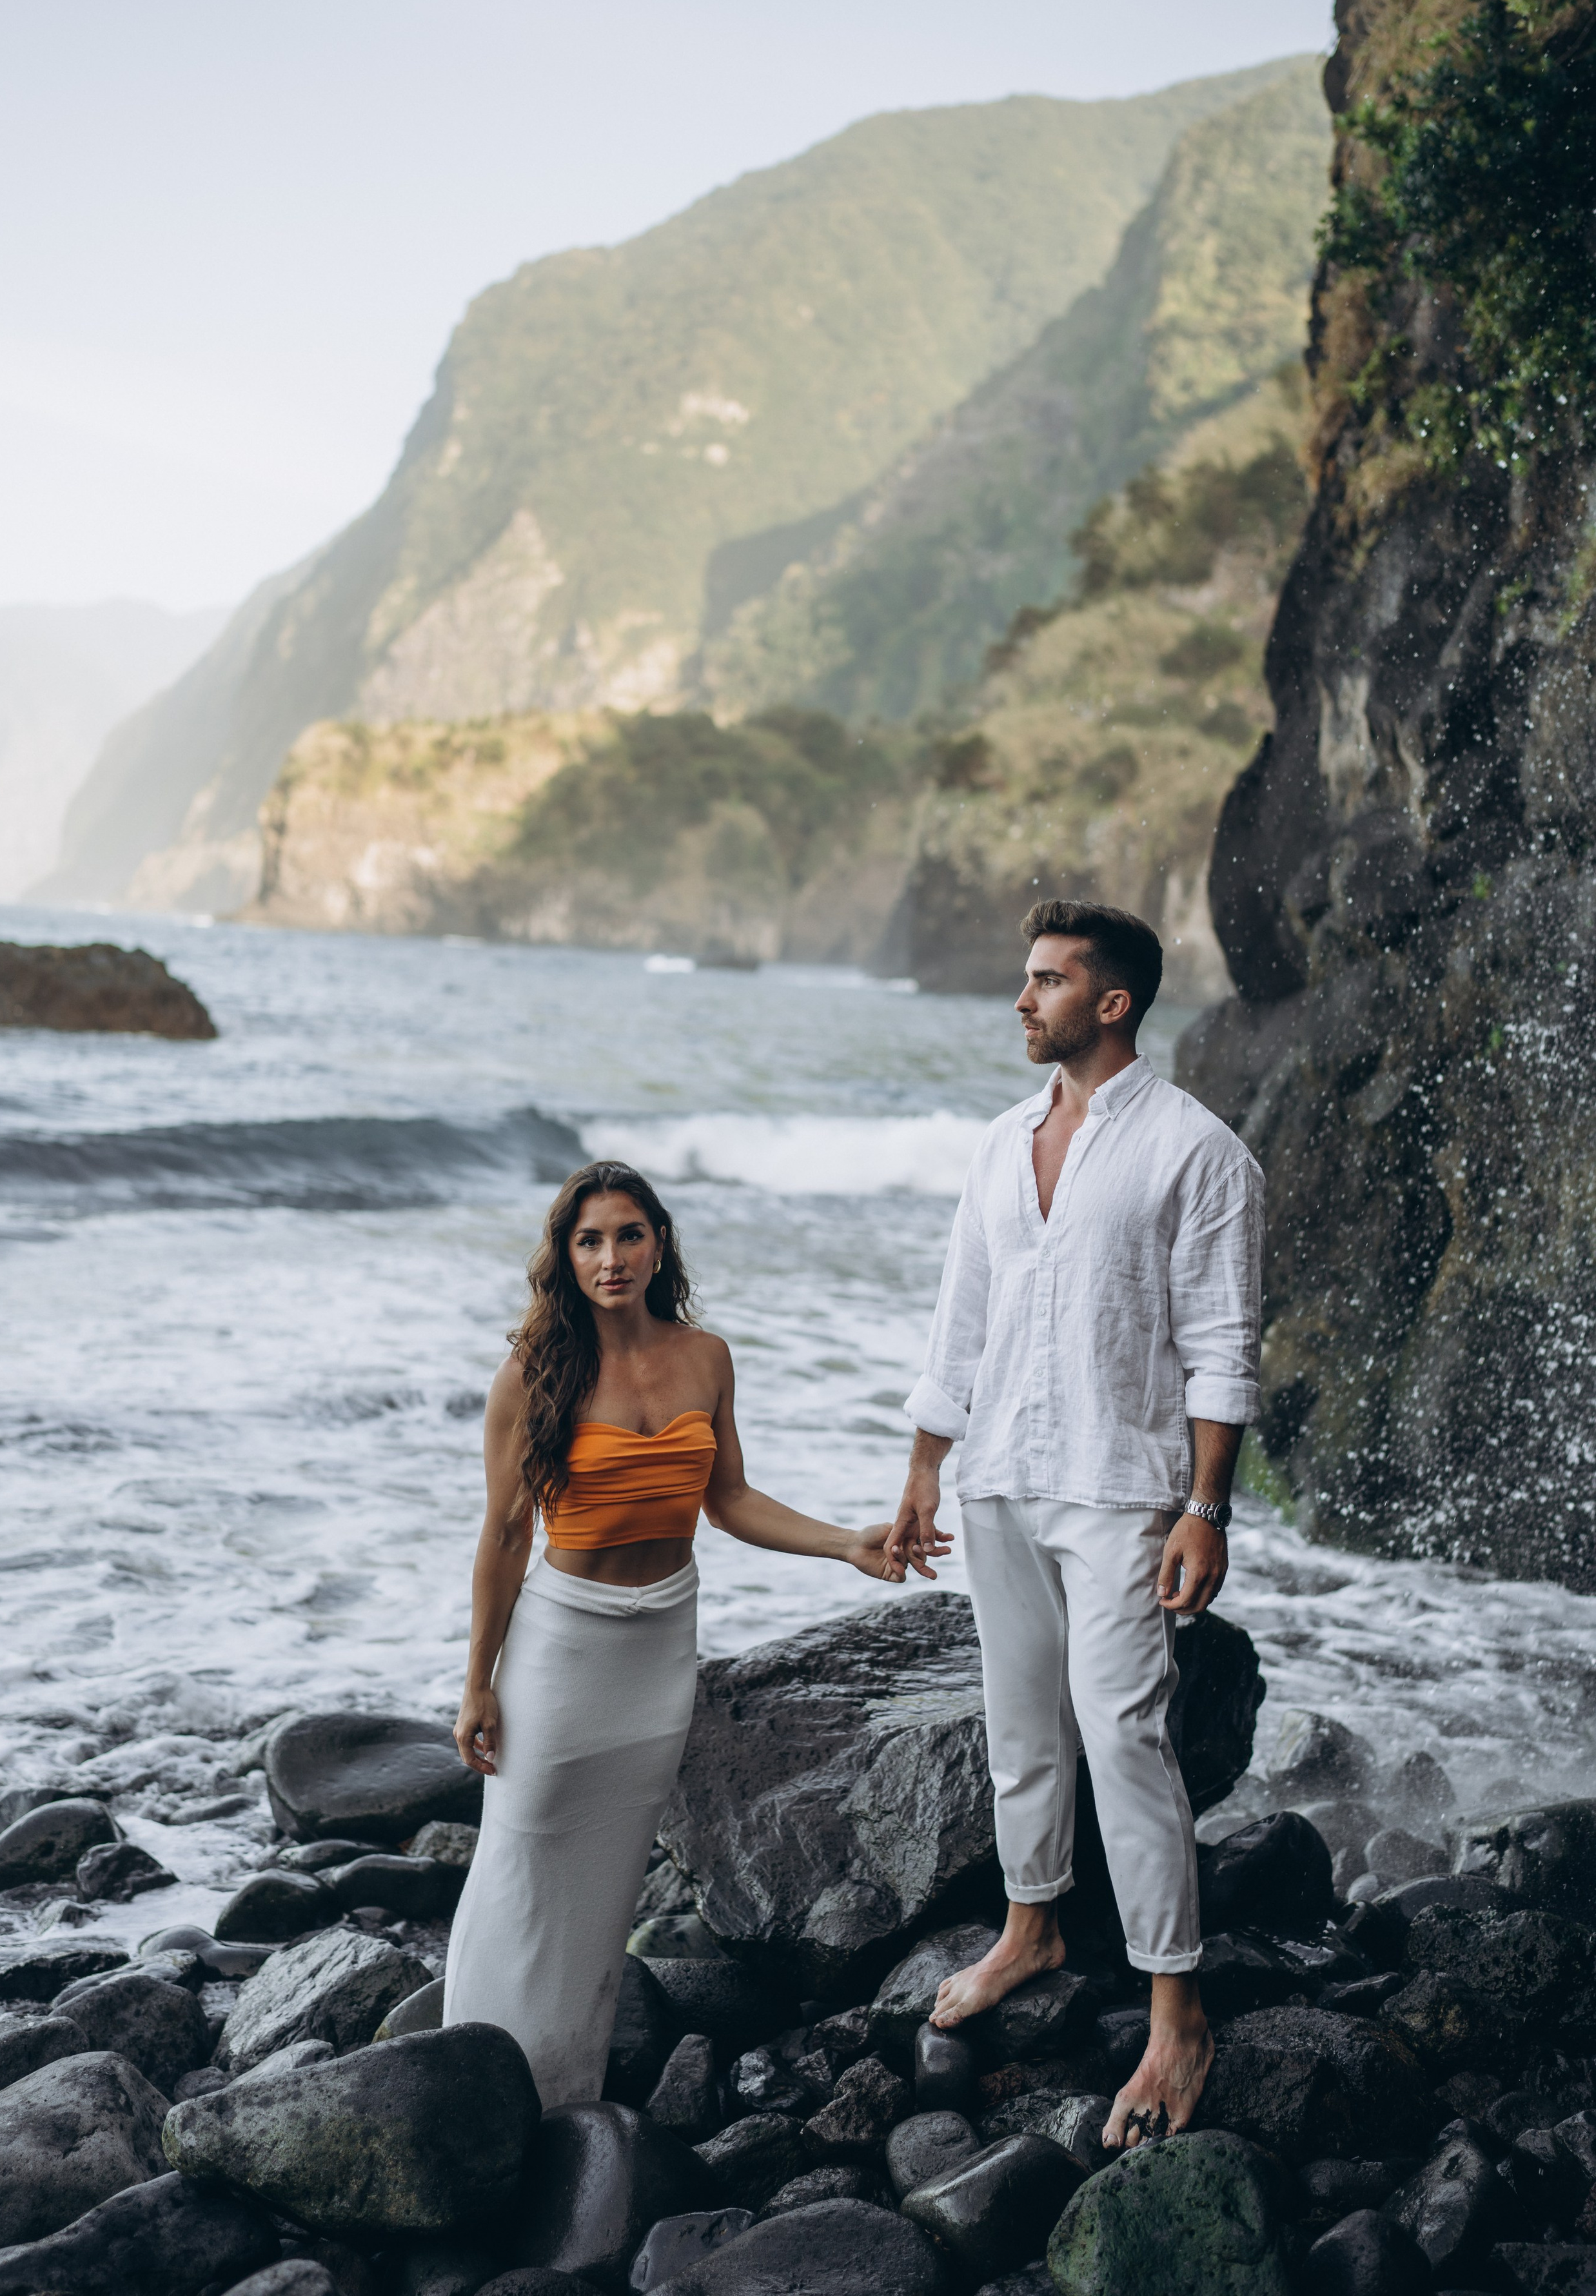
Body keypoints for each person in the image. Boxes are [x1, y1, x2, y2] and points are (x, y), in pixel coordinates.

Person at [885, 898, 1263, 2148]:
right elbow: (962, 1318)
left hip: (1119, 1487)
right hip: (997, 1474)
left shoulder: (1196, 1154)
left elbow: (1219, 1347)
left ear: (1111, 1003)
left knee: (1121, 1736)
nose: (1020, 998)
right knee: (1017, 1726)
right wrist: (924, 1466)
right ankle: (1030, 1926)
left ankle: (1175, 2009)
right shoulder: (999, 1145)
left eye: (1045, 981)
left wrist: (1203, 1509)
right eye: (1024, 977)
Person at [445, 1158, 902, 2107]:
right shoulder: (532, 1373)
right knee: (523, 1862)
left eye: (628, 1235)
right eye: (589, 1240)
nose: (611, 1257)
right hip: (562, 1646)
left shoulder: (707, 1357)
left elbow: (727, 1499)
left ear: (659, 1244)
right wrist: (477, 1680)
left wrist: (844, 1543)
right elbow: (503, 1536)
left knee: (605, 1884)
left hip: (660, 1647)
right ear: (565, 1258)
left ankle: (566, 2089)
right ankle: (478, 2080)